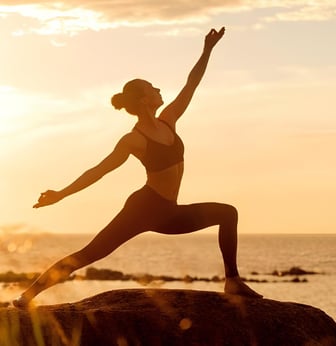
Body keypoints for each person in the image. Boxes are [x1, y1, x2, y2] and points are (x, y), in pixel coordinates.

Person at [13, 27, 262, 308]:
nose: (158, 89)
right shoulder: (134, 139)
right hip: (144, 208)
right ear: (144, 99)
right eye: (152, 87)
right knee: (89, 254)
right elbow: (99, 170)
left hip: (170, 212)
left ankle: (232, 280)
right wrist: (60, 194)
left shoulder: (169, 120)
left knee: (227, 213)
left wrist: (207, 50)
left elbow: (192, 83)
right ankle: (26, 297)